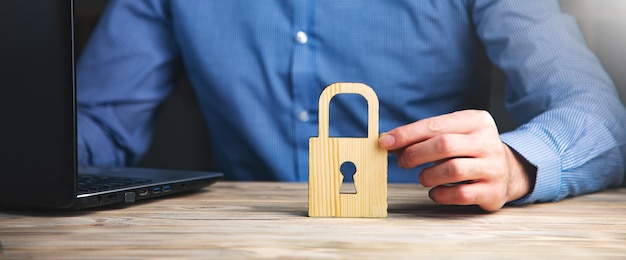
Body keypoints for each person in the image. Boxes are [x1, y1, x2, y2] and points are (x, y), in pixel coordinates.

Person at [76, 0, 626, 211]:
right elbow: (96, 124)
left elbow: (599, 118)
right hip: (243, 241)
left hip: (426, 234)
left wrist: (513, 164)